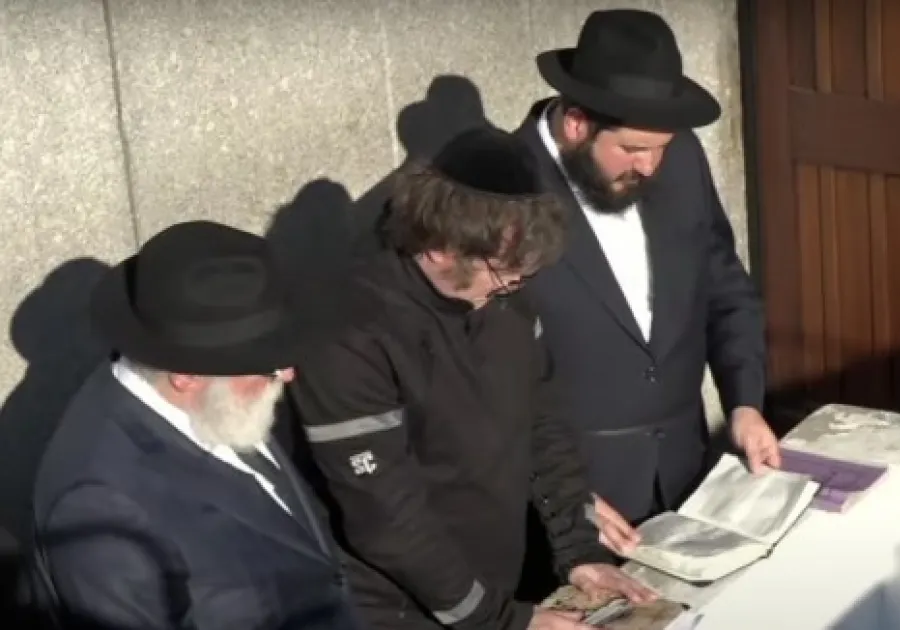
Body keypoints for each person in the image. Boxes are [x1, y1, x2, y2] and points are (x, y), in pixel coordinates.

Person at [285, 127, 655, 630]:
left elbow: (543, 425)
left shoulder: (506, 300)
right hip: (401, 607)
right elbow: (387, 517)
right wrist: (498, 621)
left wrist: (579, 551)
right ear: (440, 246)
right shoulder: (349, 335)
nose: (513, 285)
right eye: (503, 271)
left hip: (493, 581)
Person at [513, 9, 783, 554]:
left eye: (662, 147)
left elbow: (723, 284)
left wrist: (744, 400)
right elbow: (480, 378)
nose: (652, 166)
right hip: (576, 501)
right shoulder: (504, 187)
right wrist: (564, 498)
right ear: (576, 124)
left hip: (685, 470)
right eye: (634, 150)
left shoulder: (680, 157)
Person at [27, 220, 364, 629]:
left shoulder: (218, 402)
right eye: (267, 365)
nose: (288, 375)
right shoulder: (98, 506)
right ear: (186, 376)